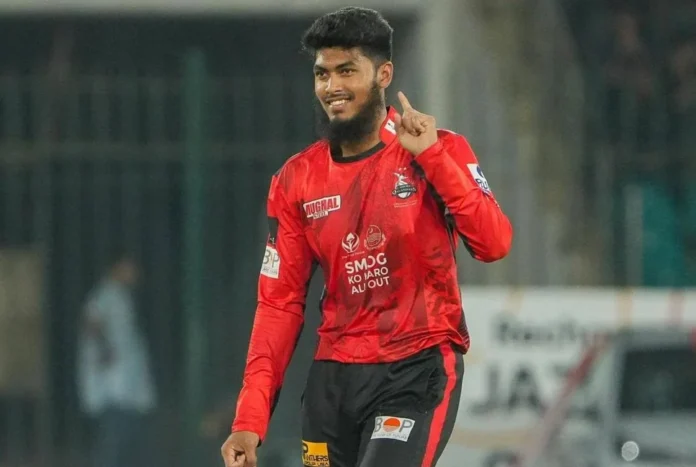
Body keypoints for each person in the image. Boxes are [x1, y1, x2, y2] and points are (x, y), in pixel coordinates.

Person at [222, 7, 513, 467]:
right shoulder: (296, 180)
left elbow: (494, 243)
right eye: (322, 74)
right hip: (333, 383)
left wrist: (433, 158)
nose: (331, 87)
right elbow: (279, 304)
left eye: (346, 71)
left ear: (384, 74)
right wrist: (250, 418)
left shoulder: (438, 148)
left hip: (416, 369)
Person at [76, 253, 156, 467]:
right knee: (114, 439)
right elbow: (92, 322)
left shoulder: (120, 295)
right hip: (114, 386)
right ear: (118, 267)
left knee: (125, 438)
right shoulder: (105, 294)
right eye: (130, 267)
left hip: (124, 383)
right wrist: (105, 350)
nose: (135, 273)